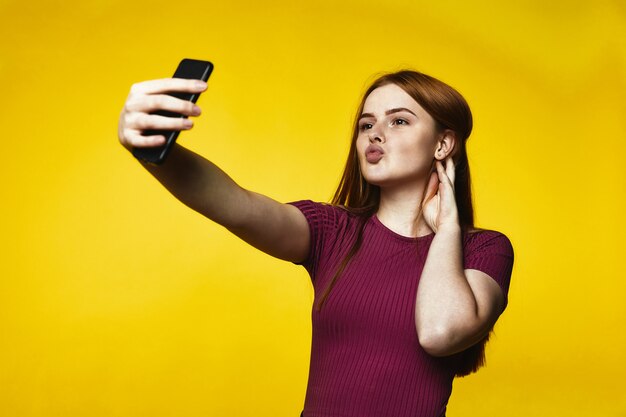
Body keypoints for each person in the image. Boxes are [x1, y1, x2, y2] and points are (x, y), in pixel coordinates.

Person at [118, 69, 514, 417]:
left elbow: (440, 332)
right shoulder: (333, 231)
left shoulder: (484, 250)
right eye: (366, 124)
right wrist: (155, 151)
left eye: (399, 122)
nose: (375, 133)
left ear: (443, 145)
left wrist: (445, 229)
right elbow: (236, 206)